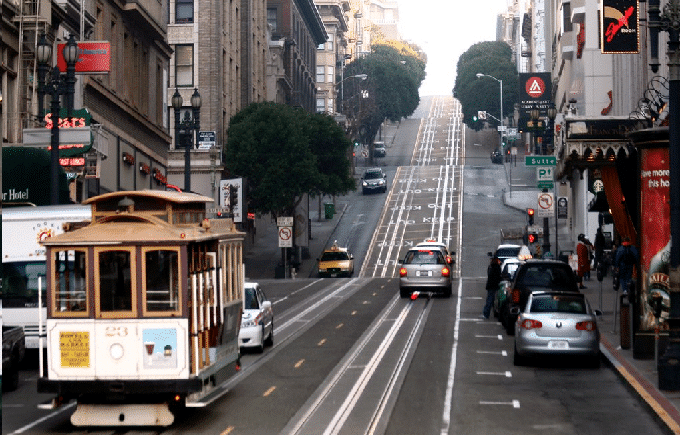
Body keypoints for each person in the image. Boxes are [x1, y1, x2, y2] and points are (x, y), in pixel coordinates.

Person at [483, 254, 502, 319]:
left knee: (490, 300)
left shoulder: (494, 267)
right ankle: (487, 313)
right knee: (491, 300)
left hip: (492, 286)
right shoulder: (494, 267)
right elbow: (498, 277)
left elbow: (496, 277)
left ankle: (486, 314)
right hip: (493, 286)